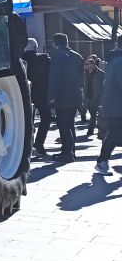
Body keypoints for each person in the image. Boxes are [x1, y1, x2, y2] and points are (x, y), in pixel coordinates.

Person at [47, 33, 84, 163]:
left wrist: (52, 96)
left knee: (63, 125)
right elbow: (82, 78)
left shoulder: (58, 57)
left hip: (63, 97)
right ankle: (70, 151)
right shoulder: (77, 56)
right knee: (70, 124)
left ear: (55, 43)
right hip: (75, 96)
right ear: (67, 42)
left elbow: (56, 78)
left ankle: (67, 153)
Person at [95, 36, 122, 175]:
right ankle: (102, 162)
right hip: (117, 106)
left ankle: (102, 161)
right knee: (114, 134)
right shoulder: (119, 62)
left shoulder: (114, 61)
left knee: (114, 133)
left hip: (113, 105)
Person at [22, 38, 52, 158]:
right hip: (42, 94)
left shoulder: (20, 59)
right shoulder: (44, 59)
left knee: (27, 122)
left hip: (26, 95)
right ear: (36, 48)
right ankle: (39, 144)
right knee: (46, 118)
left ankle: (26, 147)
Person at [83, 57, 105, 137]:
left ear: (92, 64)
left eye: (87, 64)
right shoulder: (85, 73)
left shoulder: (100, 73)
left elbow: (103, 84)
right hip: (88, 96)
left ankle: (91, 130)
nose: (85, 65)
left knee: (93, 114)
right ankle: (96, 129)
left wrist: (100, 94)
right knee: (93, 113)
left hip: (96, 96)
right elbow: (84, 84)